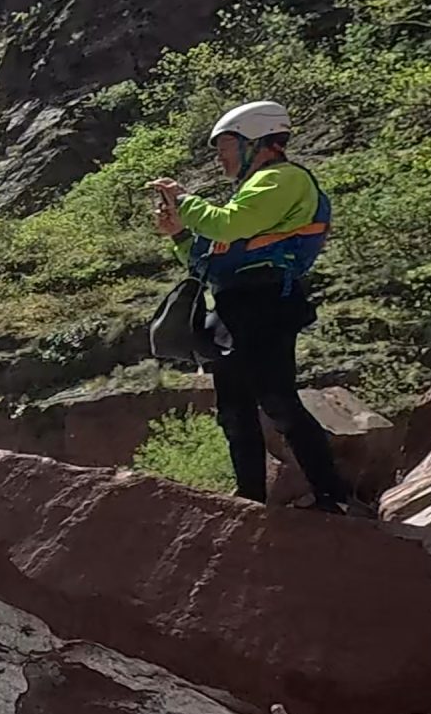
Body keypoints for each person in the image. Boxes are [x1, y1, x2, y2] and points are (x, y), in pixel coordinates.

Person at [150, 100, 352, 513]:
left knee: (277, 399)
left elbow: (229, 225)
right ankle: (249, 503)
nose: (220, 156)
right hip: (232, 307)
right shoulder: (249, 194)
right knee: (235, 410)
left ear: (255, 142)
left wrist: (184, 201)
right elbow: (203, 260)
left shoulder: (283, 179)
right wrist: (179, 235)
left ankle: (334, 497)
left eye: (225, 145)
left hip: (265, 303)